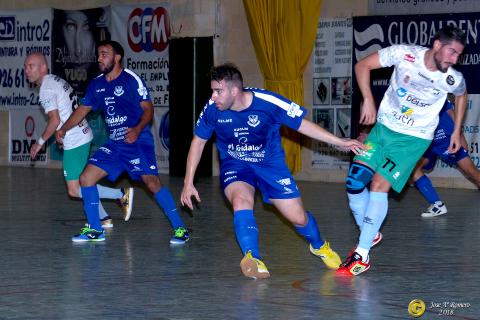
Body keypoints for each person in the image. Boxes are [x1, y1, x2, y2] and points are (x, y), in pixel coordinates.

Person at [180, 63, 365, 279]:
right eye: (212, 90)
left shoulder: (268, 102)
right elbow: (199, 141)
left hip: (270, 166)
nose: (213, 96)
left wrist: (338, 141)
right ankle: (252, 258)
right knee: (241, 201)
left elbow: (301, 125)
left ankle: (319, 245)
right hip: (235, 164)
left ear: (234, 90)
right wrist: (188, 182)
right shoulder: (212, 108)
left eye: (218, 91)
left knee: (298, 218)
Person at [340, 25, 468, 276]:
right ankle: (371, 232)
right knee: (354, 183)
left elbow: (461, 96)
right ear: (437, 45)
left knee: (378, 185)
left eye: (458, 56)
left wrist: (456, 131)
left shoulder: (452, 78)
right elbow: (361, 66)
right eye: (451, 52)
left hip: (413, 139)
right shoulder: (403, 54)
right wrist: (368, 98)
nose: (454, 60)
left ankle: (361, 255)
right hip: (383, 129)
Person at [55, 40, 189, 244]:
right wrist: (64, 128)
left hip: (137, 140)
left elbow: (148, 109)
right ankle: (95, 229)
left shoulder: (131, 80)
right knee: (86, 179)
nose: (99, 58)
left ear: (117, 57)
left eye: (104, 54)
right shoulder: (97, 84)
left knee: (152, 184)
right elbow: (82, 110)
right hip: (115, 144)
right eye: (98, 54)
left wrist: (136, 129)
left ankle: (180, 228)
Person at [24, 52, 133, 228]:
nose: (27, 70)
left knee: (74, 190)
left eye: (31, 66)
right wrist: (61, 133)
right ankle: (104, 218)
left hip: (75, 140)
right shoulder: (55, 80)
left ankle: (120, 194)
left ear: (43, 68)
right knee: (85, 182)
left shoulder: (46, 88)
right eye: (25, 66)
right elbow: (66, 110)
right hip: (78, 134)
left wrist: (40, 142)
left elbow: (54, 120)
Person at [412, 99, 480, 217]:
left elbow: (451, 113)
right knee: (412, 169)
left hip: (445, 139)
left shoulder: (435, 94)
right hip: (427, 140)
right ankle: (437, 205)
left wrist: (460, 137)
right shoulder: (410, 97)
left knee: (472, 172)